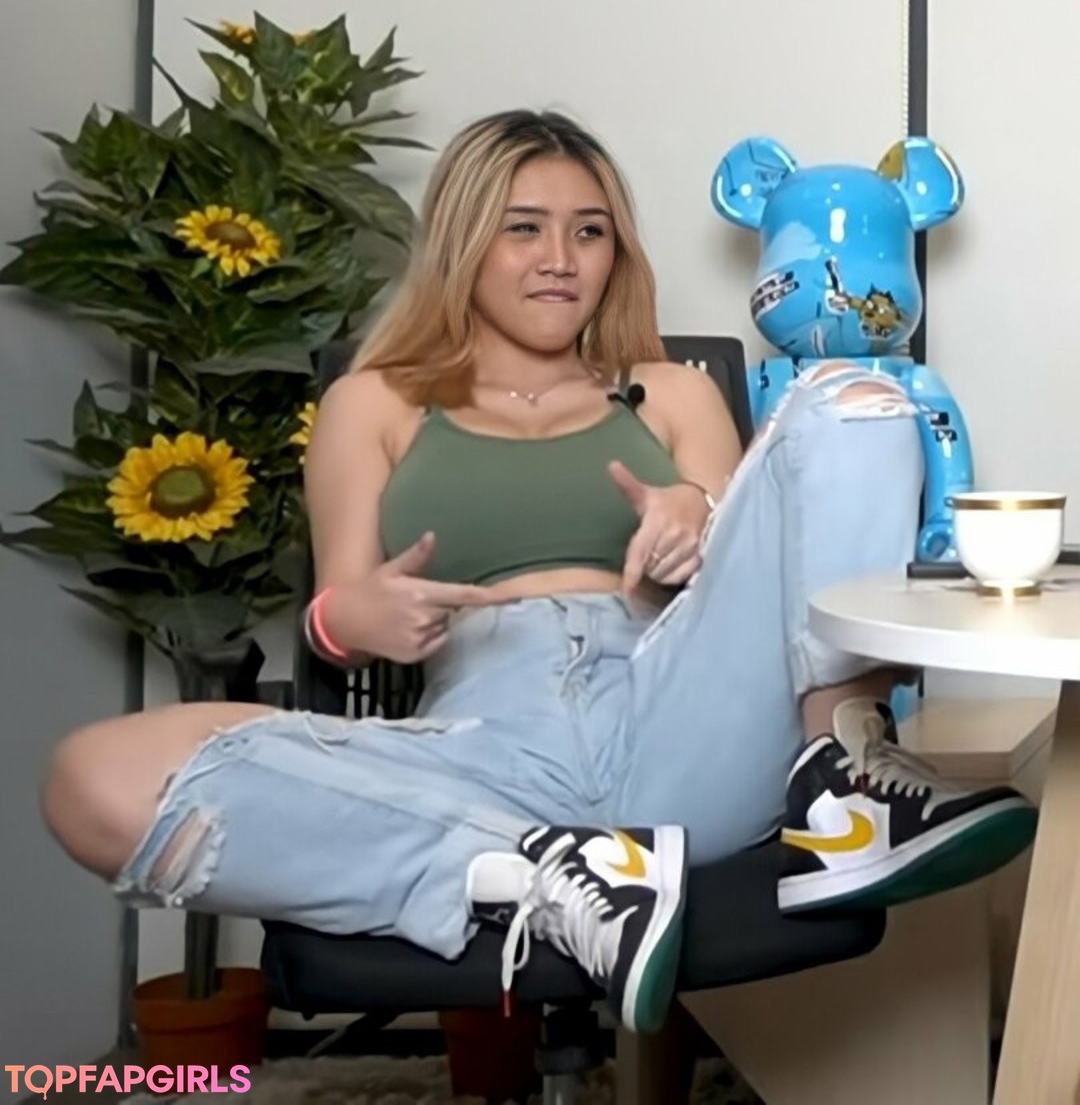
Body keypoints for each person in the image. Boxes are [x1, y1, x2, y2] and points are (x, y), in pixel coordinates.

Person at [40, 110, 1035, 1036]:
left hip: (679, 716)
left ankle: (845, 782)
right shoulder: (374, 402)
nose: (561, 258)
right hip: (483, 747)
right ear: (464, 241)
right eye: (524, 228)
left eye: (589, 232)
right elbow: (335, 613)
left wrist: (698, 516)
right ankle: (543, 870)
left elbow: (767, 583)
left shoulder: (674, 393)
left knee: (858, 393)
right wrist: (358, 618)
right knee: (93, 780)